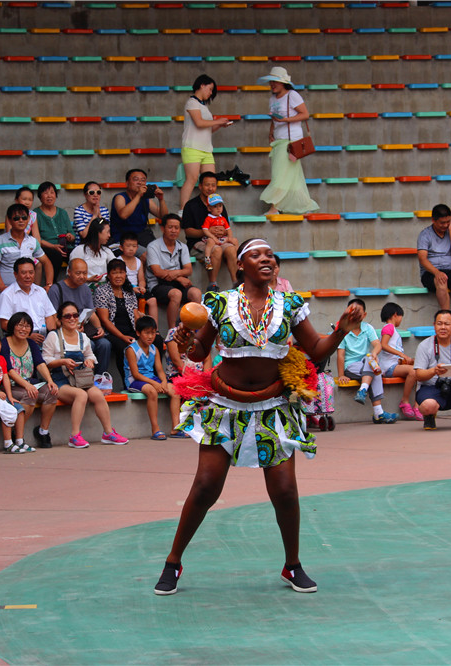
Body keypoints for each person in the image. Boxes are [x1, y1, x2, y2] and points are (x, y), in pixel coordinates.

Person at [152, 237, 365, 596]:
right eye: (256, 255)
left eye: (270, 256)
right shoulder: (219, 302)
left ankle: (292, 565)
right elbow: (198, 351)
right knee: (206, 485)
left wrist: (341, 328)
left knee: (284, 490)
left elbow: (315, 351)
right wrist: (185, 336)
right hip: (225, 407)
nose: (265, 259)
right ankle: (173, 562)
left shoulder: (291, 305)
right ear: (240, 266)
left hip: (274, 408)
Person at [42, 301, 129, 448]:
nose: (72, 319)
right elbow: (45, 360)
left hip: (81, 379)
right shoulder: (53, 336)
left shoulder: (82, 337)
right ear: (60, 319)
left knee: (97, 395)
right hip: (60, 381)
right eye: (67, 316)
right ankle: (74, 436)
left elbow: (91, 355)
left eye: (75, 315)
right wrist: (62, 362)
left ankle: (108, 433)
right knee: (81, 395)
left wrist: (89, 361)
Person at [257, 67, 318, 216]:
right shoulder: (272, 99)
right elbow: (274, 117)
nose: (272, 84)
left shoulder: (293, 95)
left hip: (291, 141)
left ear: (283, 82)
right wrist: (271, 131)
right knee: (293, 176)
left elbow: (305, 114)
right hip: (279, 139)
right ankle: (304, 206)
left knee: (279, 173)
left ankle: (275, 208)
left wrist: (286, 120)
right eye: (271, 82)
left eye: (275, 81)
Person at [1, 311, 60, 449]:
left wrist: (50, 380)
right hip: (11, 385)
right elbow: (8, 370)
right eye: (20, 325)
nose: (24, 329)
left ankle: (43, 431)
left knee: (52, 392)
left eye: (27, 326)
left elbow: (40, 363)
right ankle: (17, 432)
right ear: (12, 326)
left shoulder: (31, 344)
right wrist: (26, 385)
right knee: (30, 394)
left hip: (31, 383)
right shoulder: (4, 344)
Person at [335, 298, 398, 423]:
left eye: (359, 312)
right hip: (351, 366)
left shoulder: (368, 328)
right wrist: (341, 375)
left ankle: (363, 391)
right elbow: (340, 355)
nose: (356, 315)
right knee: (375, 370)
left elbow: (378, 344)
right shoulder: (343, 330)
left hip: (366, 363)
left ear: (364, 315)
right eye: (353, 312)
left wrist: (374, 352)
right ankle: (378, 412)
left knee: (372, 361)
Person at [95, 258, 159, 376]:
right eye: (114, 273)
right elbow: (104, 320)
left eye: (121, 272)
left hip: (131, 330)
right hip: (113, 333)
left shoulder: (129, 291)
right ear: (108, 275)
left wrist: (145, 332)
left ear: (125, 274)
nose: (118, 276)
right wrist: (122, 336)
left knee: (157, 340)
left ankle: (153, 376)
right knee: (122, 346)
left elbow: (135, 315)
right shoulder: (102, 291)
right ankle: (128, 382)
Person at [179, 74, 234, 209]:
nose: (210, 93)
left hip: (206, 149)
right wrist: (218, 121)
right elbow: (199, 123)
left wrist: (220, 125)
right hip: (192, 147)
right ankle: (183, 210)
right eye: (210, 89)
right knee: (191, 179)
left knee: (210, 181)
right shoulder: (192, 102)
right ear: (202, 85)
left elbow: (207, 129)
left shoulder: (203, 106)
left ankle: (210, 209)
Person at [48, 258, 112, 375]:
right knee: (90, 345)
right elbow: (52, 318)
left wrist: (99, 328)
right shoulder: (56, 289)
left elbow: (91, 312)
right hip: (65, 330)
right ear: (69, 272)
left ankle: (99, 378)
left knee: (105, 344)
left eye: (85, 273)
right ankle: (83, 377)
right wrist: (72, 328)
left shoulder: (85, 288)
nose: (82, 276)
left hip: (84, 327)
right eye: (78, 273)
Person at [124, 316, 183, 440]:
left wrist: (163, 382)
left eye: (153, 333)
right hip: (135, 381)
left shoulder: (154, 348)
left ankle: (175, 428)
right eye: (147, 333)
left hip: (151, 379)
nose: (150, 336)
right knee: (152, 392)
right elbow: (135, 374)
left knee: (176, 391)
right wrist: (155, 384)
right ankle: (155, 429)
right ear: (138, 333)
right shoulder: (131, 349)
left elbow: (160, 370)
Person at [181, 171, 238, 288]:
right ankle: (212, 284)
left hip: (219, 239)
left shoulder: (219, 204)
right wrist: (207, 232)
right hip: (198, 243)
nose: (210, 188)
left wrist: (224, 232)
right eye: (207, 185)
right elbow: (188, 232)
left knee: (231, 249)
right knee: (216, 250)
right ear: (200, 186)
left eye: (213, 185)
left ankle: (236, 283)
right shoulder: (191, 205)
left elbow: (227, 227)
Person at [146, 214, 202, 329]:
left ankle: (191, 328)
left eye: (176, 228)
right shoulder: (153, 246)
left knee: (196, 293)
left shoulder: (183, 247)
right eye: (170, 227)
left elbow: (188, 270)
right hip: (158, 284)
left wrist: (175, 275)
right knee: (176, 294)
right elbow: (157, 272)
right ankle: (172, 330)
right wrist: (179, 277)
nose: (173, 231)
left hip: (178, 284)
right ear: (163, 228)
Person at [0, 203, 53, 295]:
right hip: (5, 290)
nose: (21, 221)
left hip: (27, 290)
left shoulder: (32, 241)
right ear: (10, 220)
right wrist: (2, 287)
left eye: (24, 218)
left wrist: (49, 284)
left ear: (28, 220)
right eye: (16, 218)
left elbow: (47, 262)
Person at [417, 203, 451, 310]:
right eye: (442, 223)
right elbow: (422, 259)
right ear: (433, 220)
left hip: (450, 269)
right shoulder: (425, 234)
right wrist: (437, 273)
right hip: (430, 273)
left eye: (448, 222)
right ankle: (446, 315)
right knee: (441, 280)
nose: (445, 225)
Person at [0, 257, 57, 341]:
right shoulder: (7, 295)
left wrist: (52, 335)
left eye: (31, 272)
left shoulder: (41, 291)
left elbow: (49, 316)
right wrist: (27, 336)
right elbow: (5, 324)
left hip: (43, 336)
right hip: (20, 339)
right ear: (15, 274)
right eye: (23, 273)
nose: (28, 276)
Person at [378, 302, 421, 421]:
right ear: (395, 314)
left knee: (422, 368)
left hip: (394, 365)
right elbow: (383, 345)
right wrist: (402, 354)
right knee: (413, 371)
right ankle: (405, 401)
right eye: (401, 316)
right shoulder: (389, 327)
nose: (401, 319)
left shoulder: (392, 329)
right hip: (388, 366)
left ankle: (418, 405)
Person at [110, 168, 167, 249]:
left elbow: (163, 216)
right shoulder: (120, 197)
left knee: (158, 252)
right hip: (123, 237)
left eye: (143, 180)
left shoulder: (146, 199)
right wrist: (138, 195)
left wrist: (161, 199)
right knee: (145, 254)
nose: (140, 183)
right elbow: (124, 215)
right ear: (127, 183)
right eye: (136, 179)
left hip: (142, 236)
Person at [33, 181, 74, 283]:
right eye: (46, 193)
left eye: (52, 192)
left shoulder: (63, 212)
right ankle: (52, 285)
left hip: (65, 246)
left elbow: (72, 234)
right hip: (47, 247)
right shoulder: (35, 214)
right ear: (40, 196)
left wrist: (70, 236)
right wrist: (53, 246)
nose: (49, 196)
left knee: (77, 256)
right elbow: (36, 239)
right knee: (56, 256)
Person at [200, 193, 238, 289]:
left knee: (234, 241)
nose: (218, 208)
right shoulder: (209, 218)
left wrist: (229, 238)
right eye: (215, 206)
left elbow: (228, 229)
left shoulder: (222, 218)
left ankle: (237, 277)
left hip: (222, 239)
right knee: (211, 243)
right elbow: (205, 230)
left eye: (220, 206)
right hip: (212, 239)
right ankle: (207, 259)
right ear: (209, 208)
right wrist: (213, 237)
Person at [118, 232, 158, 320]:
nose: (131, 249)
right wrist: (131, 288)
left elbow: (141, 279)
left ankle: (155, 329)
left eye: (134, 246)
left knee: (152, 300)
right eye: (128, 246)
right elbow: (120, 281)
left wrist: (141, 287)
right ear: (121, 247)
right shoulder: (118, 262)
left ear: (137, 247)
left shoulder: (138, 261)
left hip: (137, 289)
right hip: (124, 289)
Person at [68, 218, 115, 287]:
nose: (109, 235)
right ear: (98, 233)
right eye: (107, 232)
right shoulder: (80, 250)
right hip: (82, 288)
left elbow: (117, 265)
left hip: (103, 290)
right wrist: (88, 279)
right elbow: (69, 273)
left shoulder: (106, 251)